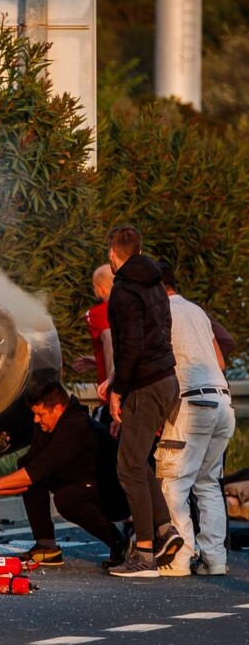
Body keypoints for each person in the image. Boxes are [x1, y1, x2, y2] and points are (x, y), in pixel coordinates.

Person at [0, 383, 130, 568]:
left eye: (40, 414)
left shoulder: (76, 427)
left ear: (58, 409)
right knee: (26, 466)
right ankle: (46, 546)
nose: (36, 420)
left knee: (66, 500)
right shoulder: (47, 426)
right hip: (81, 482)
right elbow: (30, 475)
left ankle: (118, 542)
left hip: (114, 494)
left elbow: (34, 472)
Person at [101, 224, 183, 578]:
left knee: (129, 466)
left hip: (146, 383)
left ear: (112, 253)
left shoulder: (122, 291)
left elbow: (130, 347)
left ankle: (145, 555)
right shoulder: (155, 283)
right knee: (136, 460)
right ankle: (164, 529)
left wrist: (119, 389)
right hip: (167, 379)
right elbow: (162, 332)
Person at [153, 262, 235, 577]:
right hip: (222, 401)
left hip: (192, 402)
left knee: (174, 481)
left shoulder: (162, 312)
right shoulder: (197, 311)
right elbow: (220, 359)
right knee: (208, 483)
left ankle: (180, 558)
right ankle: (215, 560)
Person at [85, 264, 114, 425]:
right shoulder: (133, 309)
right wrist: (97, 360)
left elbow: (109, 340)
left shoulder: (96, 313)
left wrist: (111, 379)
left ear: (100, 289)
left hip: (114, 394)